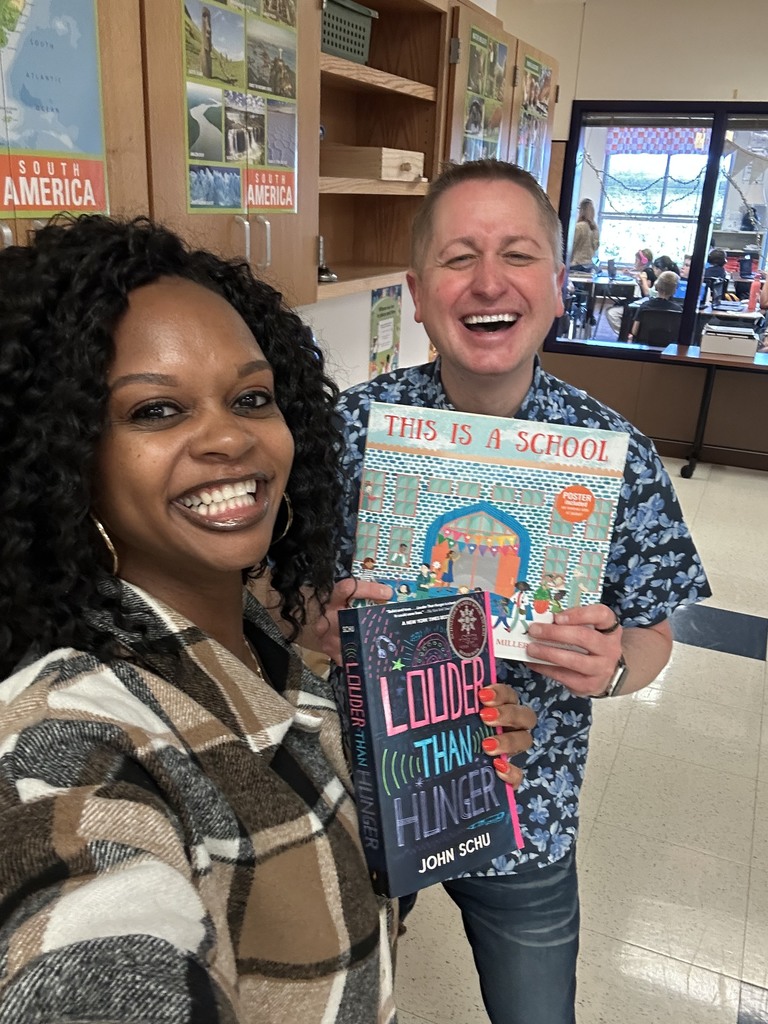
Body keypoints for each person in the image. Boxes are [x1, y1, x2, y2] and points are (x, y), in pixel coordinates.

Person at [316, 160, 710, 1024]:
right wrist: (317, 628)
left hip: (527, 816)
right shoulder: (347, 433)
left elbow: (651, 635)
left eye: (519, 255)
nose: (489, 281)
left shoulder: (619, 455)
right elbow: (274, 608)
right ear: (417, 294)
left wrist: (610, 668)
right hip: (374, 802)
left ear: (560, 287)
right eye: (459, 258)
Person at [0, 216, 401, 1023]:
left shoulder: (262, 645)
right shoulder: (70, 737)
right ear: (65, 453)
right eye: (155, 411)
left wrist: (428, 761)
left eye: (252, 397)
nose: (229, 436)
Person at [630, 269, 682, 339]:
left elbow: (634, 331)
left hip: (645, 346)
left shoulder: (644, 306)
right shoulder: (678, 310)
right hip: (668, 347)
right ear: (674, 290)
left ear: (656, 286)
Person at [568, 197, 599, 272]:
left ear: (581, 211)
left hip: (576, 264)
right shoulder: (594, 228)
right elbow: (595, 247)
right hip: (588, 265)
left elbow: (571, 246)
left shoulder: (579, 227)